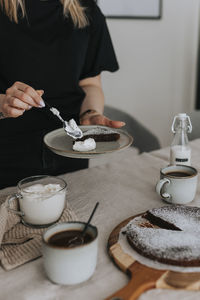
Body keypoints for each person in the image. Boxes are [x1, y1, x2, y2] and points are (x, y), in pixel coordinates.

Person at [0, 0, 125, 189]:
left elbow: (90, 83)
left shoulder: (87, 10)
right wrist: (2, 104)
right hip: (7, 154)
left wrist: (90, 113)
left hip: (70, 152)